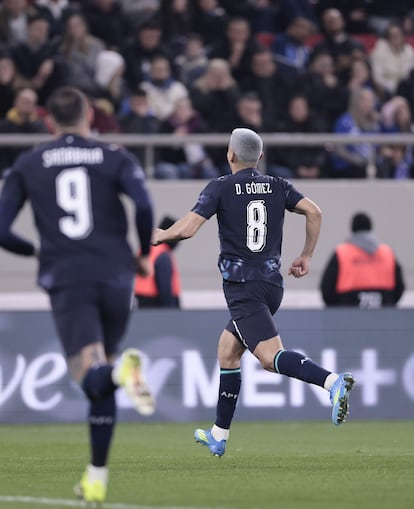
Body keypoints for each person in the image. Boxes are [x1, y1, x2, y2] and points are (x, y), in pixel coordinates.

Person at [0, 86, 156, 504]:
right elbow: (144, 205)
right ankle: (96, 477)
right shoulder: (116, 156)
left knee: (91, 376)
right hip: (118, 276)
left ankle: (121, 375)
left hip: (68, 277)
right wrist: (140, 253)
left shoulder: (29, 163)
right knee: (104, 375)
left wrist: (36, 251)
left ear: (49, 121)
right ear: (89, 117)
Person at [152, 127, 356, 458]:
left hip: (243, 287)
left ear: (230, 155)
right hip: (272, 284)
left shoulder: (221, 186)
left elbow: (187, 229)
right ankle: (218, 435)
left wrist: (161, 235)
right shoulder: (277, 185)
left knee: (270, 359)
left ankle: (332, 383)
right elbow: (314, 212)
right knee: (228, 352)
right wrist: (305, 255)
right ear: (259, 157)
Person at [320, 212, 405, 308]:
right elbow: (399, 287)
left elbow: (327, 289)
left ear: (352, 229)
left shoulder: (341, 252)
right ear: (370, 228)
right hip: (384, 311)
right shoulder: (387, 252)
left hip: (348, 311)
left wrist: (338, 310)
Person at [134, 215, 182, 308]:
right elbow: (165, 286)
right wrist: (170, 311)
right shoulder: (163, 254)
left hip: (142, 301)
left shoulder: (147, 250)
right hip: (157, 303)